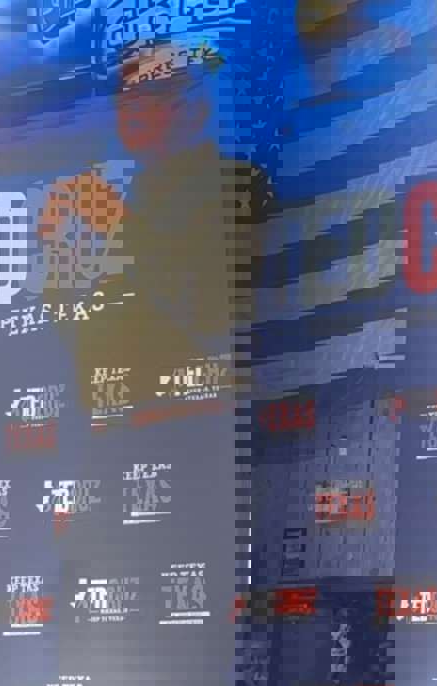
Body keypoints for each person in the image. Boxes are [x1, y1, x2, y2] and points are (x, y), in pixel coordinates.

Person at [40, 38, 270, 416]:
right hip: (124, 421)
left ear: (196, 105)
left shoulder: (240, 182)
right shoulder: (138, 192)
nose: (133, 111)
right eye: (125, 99)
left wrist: (118, 227)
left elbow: (209, 313)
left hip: (205, 416)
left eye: (153, 95)